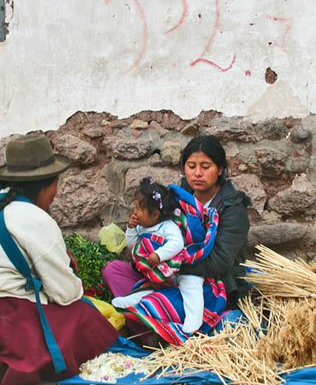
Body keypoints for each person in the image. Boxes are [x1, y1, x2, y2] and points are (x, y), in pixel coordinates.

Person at [0, 133, 119, 385]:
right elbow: (67, 294)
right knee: (86, 318)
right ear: (49, 185)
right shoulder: (34, 218)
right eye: (56, 186)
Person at [102, 135, 251, 345]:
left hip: (206, 281)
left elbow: (220, 261)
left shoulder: (232, 209)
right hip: (168, 272)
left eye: (205, 166)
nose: (197, 173)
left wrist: (171, 269)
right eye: (191, 166)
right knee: (113, 271)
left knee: (161, 299)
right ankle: (159, 327)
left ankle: (161, 330)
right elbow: (159, 230)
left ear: (220, 169)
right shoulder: (177, 198)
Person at [111, 177, 205, 334]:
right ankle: (134, 301)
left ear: (155, 215)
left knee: (192, 285)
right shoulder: (142, 227)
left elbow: (177, 244)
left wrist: (158, 255)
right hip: (160, 274)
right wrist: (131, 229)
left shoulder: (168, 226)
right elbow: (133, 246)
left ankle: (194, 319)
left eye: (139, 208)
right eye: (135, 207)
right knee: (149, 288)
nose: (134, 211)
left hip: (182, 268)